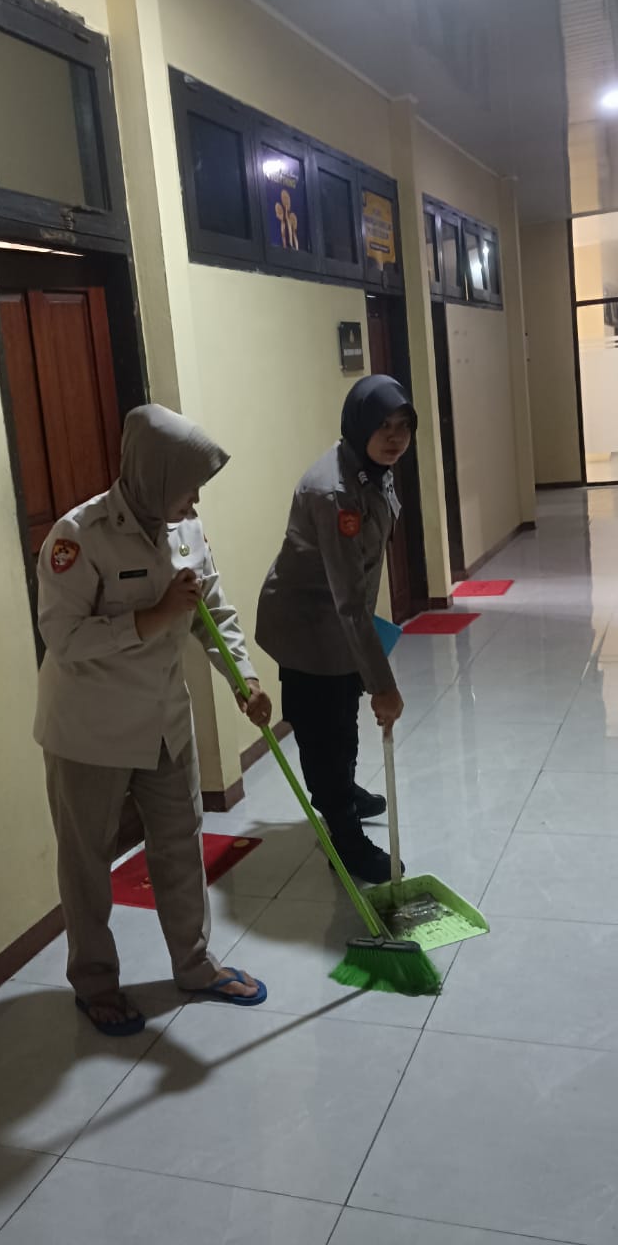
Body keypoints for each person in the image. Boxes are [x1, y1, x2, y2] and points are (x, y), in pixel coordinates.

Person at [34, 404, 272, 1035]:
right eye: (188, 486)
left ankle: (194, 965)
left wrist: (244, 679)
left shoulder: (185, 529)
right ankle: (95, 984)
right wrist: (151, 617)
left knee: (179, 842)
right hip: (89, 730)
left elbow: (214, 613)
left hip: (165, 721)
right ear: (153, 474)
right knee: (87, 862)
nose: (195, 500)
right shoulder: (77, 536)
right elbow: (64, 639)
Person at [256, 375, 417, 884]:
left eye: (403, 426)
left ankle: (344, 791)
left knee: (343, 716)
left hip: (341, 620)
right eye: (383, 426)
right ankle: (343, 839)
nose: (394, 437)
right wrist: (384, 685)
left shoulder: (372, 470)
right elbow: (347, 600)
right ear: (359, 425)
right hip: (306, 626)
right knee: (324, 732)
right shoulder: (336, 492)